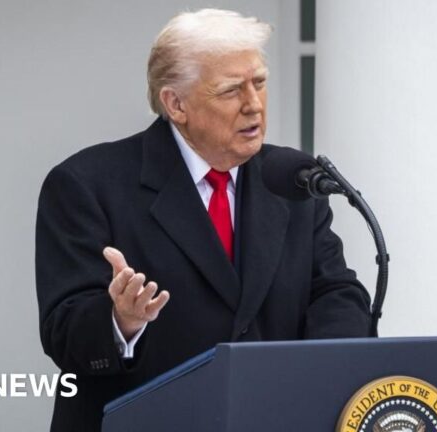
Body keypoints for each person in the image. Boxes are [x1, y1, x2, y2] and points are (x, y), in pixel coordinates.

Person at [35, 8, 371, 432]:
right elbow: (64, 331)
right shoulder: (86, 184)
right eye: (231, 90)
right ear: (176, 104)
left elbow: (335, 291)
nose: (253, 104)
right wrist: (121, 320)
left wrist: (318, 369)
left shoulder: (293, 180)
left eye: (259, 83)